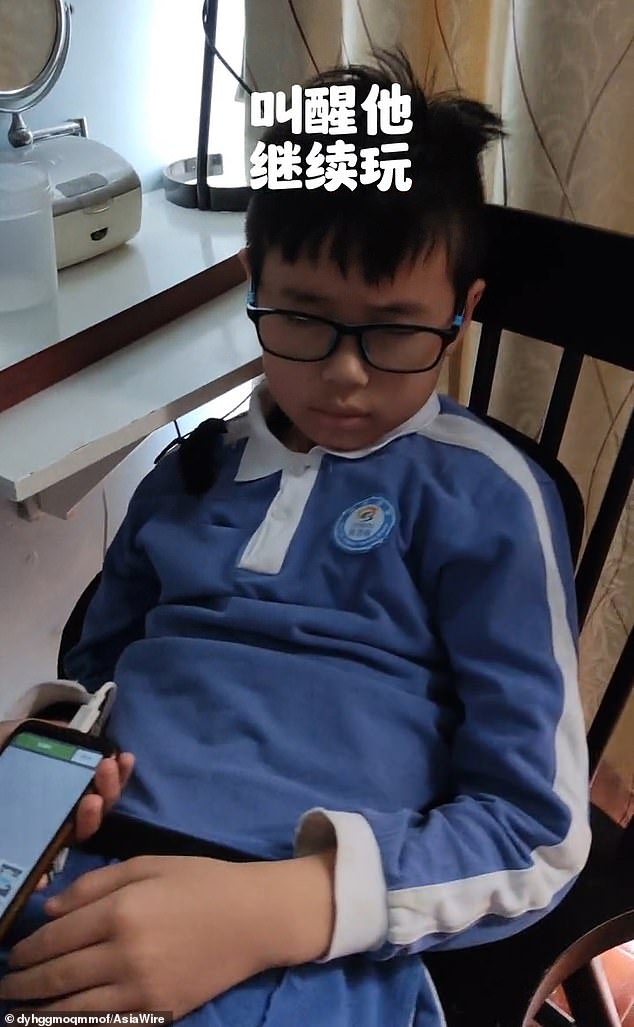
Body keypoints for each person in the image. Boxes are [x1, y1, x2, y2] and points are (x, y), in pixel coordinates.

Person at [0, 51, 591, 1026]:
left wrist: (287, 907)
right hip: (85, 873)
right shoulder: (187, 474)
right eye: (304, 318)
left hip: (304, 937)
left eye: (394, 330)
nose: (346, 374)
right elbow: (97, 670)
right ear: (253, 281)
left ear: (462, 314)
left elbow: (535, 828)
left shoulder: (487, 501)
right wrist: (53, 747)